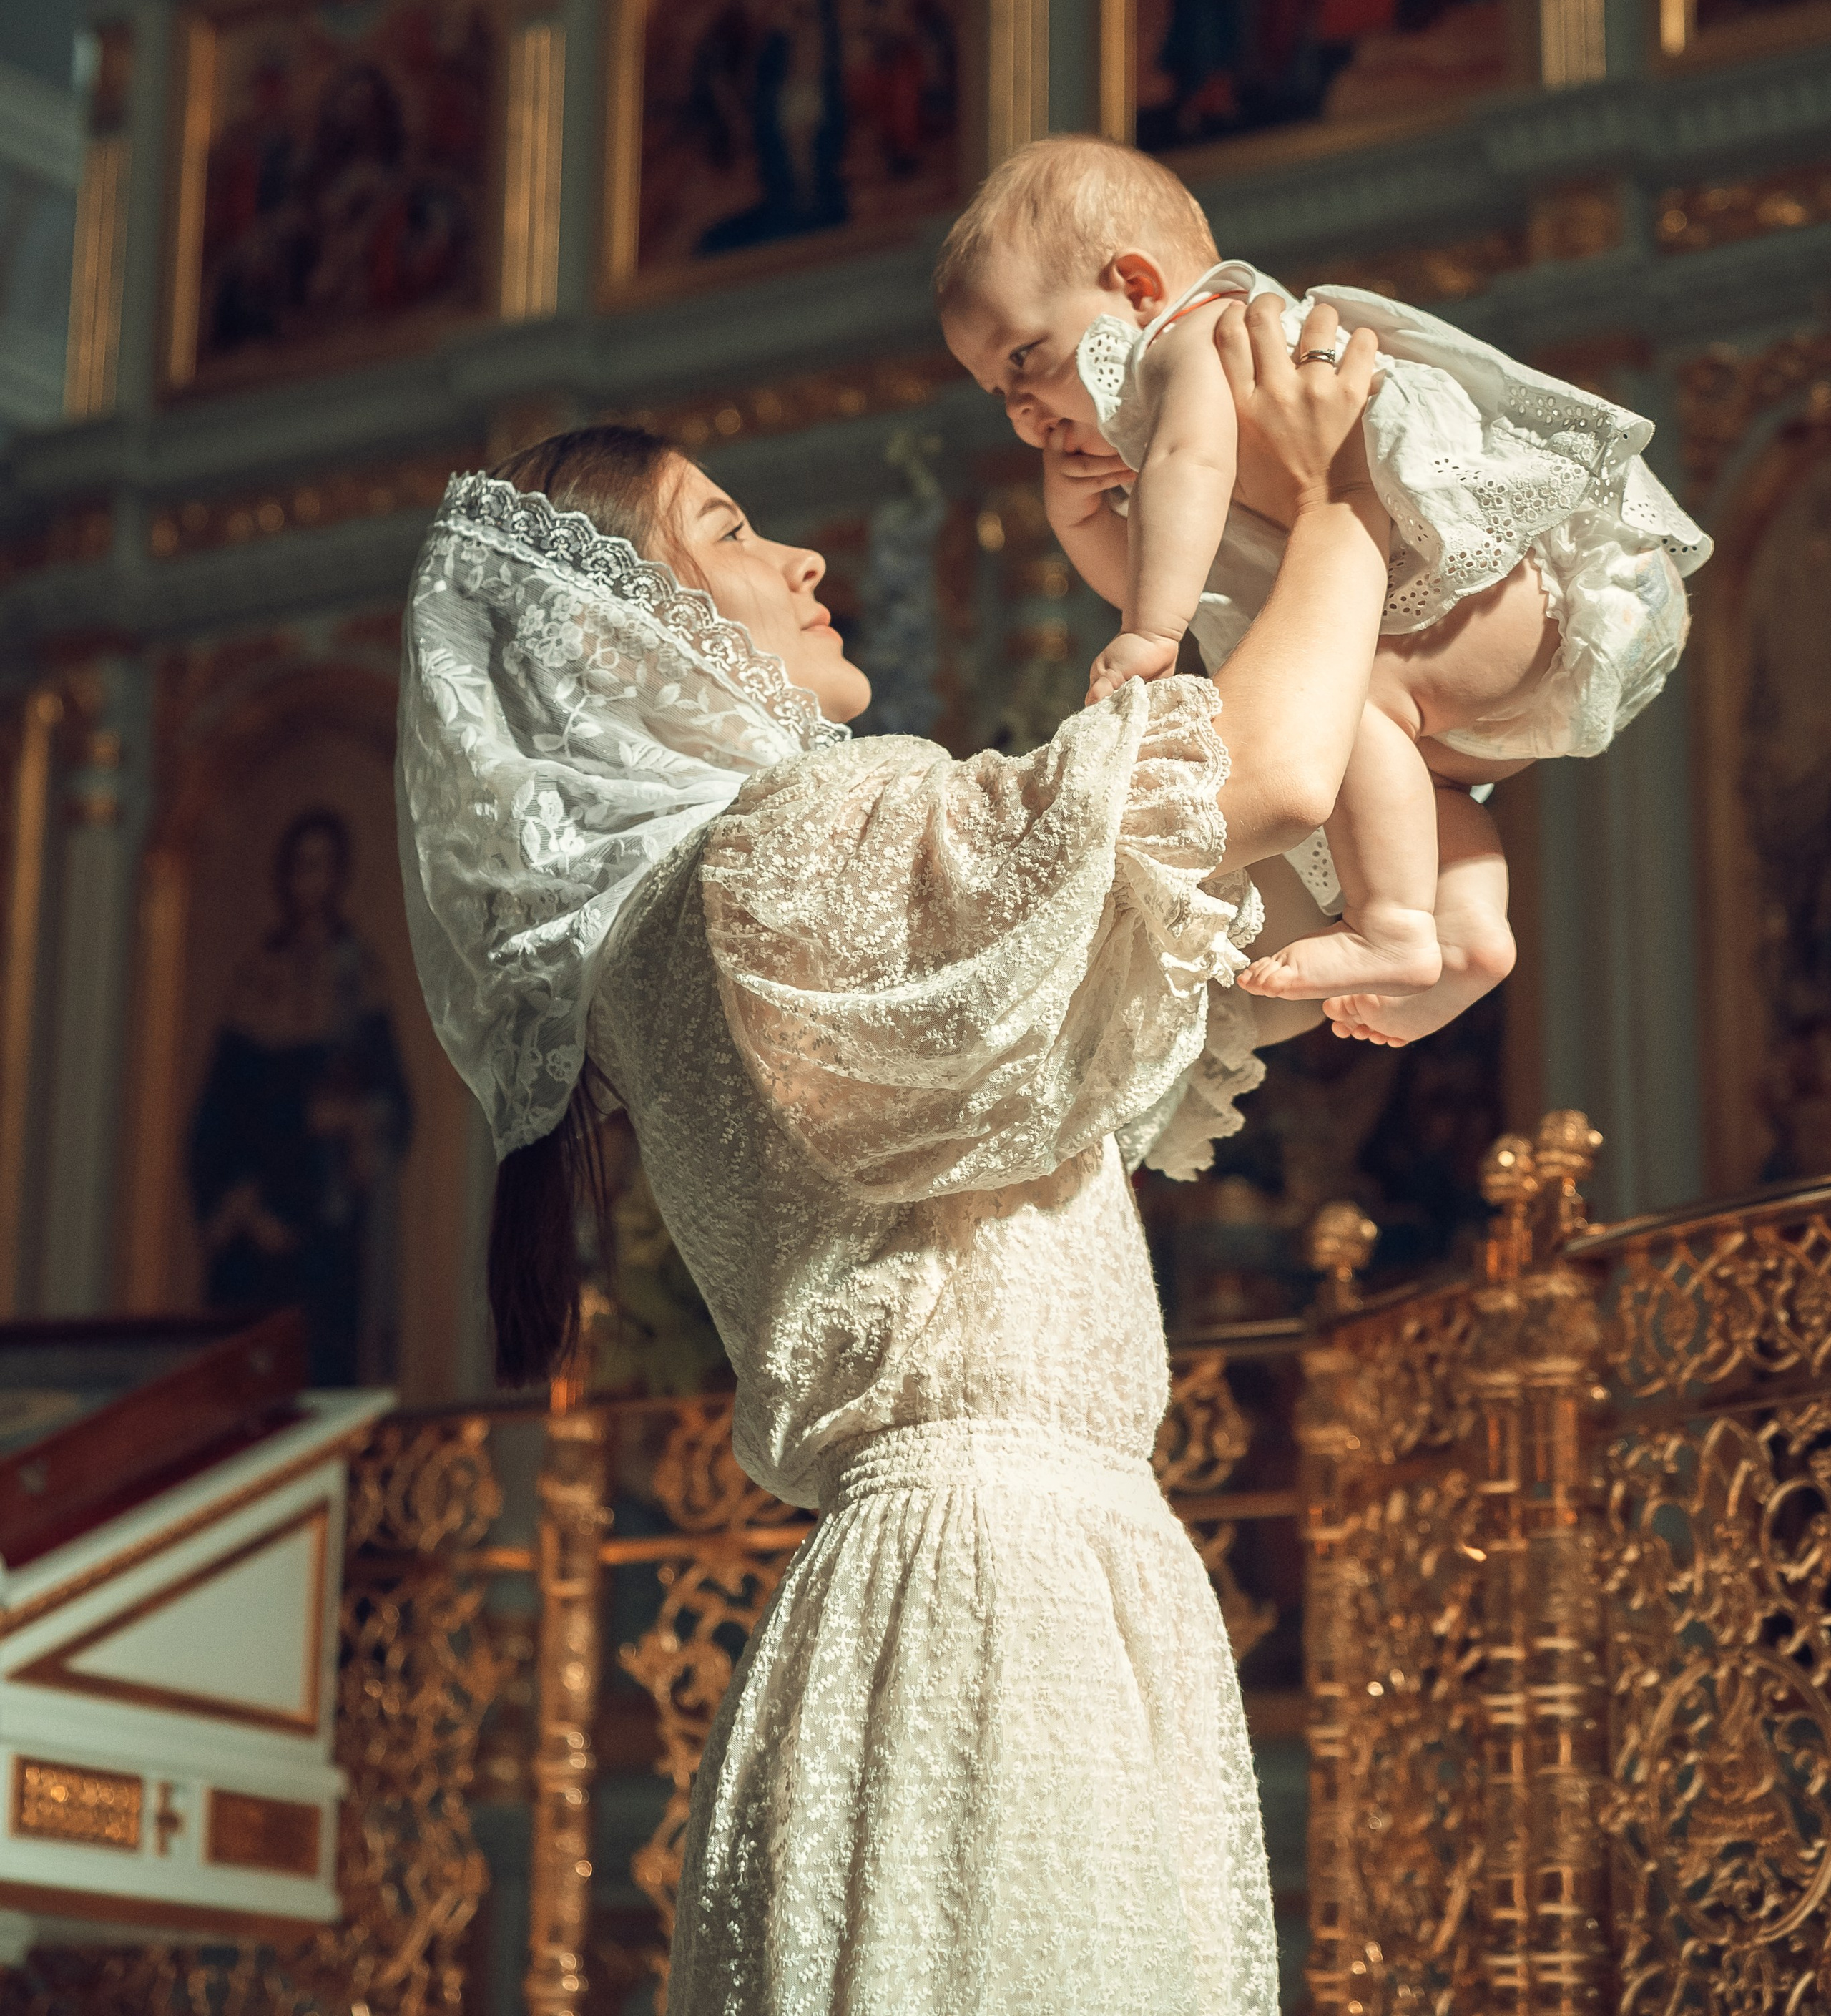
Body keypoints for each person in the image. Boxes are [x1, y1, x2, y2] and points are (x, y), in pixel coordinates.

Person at [396, 315, 1388, 2016]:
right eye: (722, 529)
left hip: (1030, 1586)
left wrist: (1210, 551)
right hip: (986, 1608)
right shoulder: (787, 850)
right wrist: (1349, 484)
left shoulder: (702, 909)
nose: (798, 554)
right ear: (622, 644)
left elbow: (1250, 901)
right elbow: (1278, 770)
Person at [936, 135, 1712, 1047]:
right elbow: (1212, 584)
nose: (1020, 408)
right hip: (1480, 645)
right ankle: (1464, 932)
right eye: (997, 391)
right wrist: (1082, 523)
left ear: (1136, 289)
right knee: (1388, 761)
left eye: (1026, 358)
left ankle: (1391, 926)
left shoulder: (1201, 336)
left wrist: (1152, 628)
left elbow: (1188, 477)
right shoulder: (1160, 416)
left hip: (1530, 587)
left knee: (1355, 708)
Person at [189, 809, 413, 1384]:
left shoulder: (359, 976)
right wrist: (242, 1193)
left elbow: (395, 1103)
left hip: (327, 1222)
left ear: (340, 876)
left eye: (322, 867)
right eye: (300, 867)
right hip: (256, 1211)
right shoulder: (256, 976)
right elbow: (222, 1109)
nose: (309, 881)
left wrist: (361, 1120)